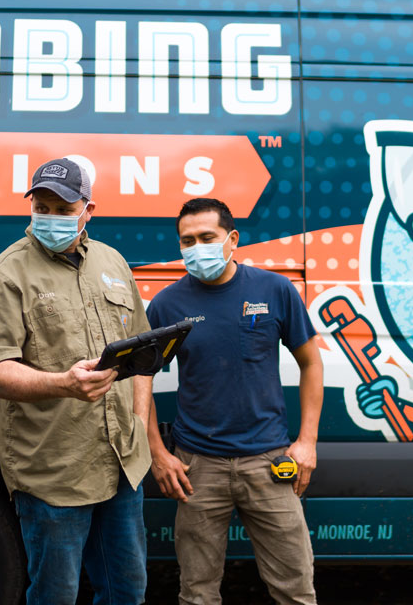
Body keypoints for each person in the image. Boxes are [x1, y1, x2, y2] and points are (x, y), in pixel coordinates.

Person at [0, 157, 152, 605]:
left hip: (121, 463)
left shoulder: (112, 262)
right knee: (56, 595)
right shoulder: (4, 275)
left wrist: (141, 425)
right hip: (54, 471)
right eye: (42, 206)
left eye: (63, 208)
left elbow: (142, 353)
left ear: (89, 210)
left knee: (127, 591)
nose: (50, 217)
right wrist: (64, 384)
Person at [145, 197, 323, 605]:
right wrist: (158, 452)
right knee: (197, 595)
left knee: (295, 591)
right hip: (197, 469)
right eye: (187, 240)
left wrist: (307, 442)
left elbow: (311, 363)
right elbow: (139, 382)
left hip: (271, 463)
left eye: (207, 237)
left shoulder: (274, 290)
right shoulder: (167, 306)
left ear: (232, 239)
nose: (197, 247)